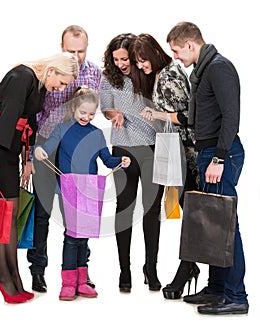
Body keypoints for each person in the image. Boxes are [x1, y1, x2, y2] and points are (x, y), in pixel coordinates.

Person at [0, 52, 79, 304]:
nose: (59, 88)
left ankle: (14, 278)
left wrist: (27, 159)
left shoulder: (38, 85)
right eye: (61, 82)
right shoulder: (22, 75)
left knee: (12, 212)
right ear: (52, 70)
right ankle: (4, 279)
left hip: (9, 146)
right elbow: (9, 112)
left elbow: (28, 121)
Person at [166, 21, 248, 315]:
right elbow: (200, 117)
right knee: (213, 224)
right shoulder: (202, 71)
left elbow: (231, 116)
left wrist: (219, 158)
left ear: (190, 44)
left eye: (177, 51)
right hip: (207, 152)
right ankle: (216, 288)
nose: (176, 57)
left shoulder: (218, 67)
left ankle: (236, 296)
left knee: (224, 224)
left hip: (219, 154)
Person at [34, 86, 131, 300]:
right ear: (74, 108)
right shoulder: (62, 129)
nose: (86, 117)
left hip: (89, 189)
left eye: (90, 113)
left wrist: (121, 162)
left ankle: (81, 280)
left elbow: (106, 160)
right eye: (82, 112)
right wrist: (38, 151)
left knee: (84, 235)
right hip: (68, 188)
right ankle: (68, 283)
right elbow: (47, 148)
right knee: (72, 235)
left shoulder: (95, 133)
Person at [27, 25, 102, 293]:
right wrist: (31, 152)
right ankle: (38, 270)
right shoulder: (51, 70)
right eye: (71, 50)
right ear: (62, 49)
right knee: (43, 212)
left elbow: (96, 109)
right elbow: (35, 111)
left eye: (81, 50)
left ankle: (81, 270)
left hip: (78, 150)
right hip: (47, 145)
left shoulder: (94, 72)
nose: (76, 56)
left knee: (80, 214)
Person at [128, 33, 200, 300]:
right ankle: (157, 267)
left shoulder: (170, 75)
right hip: (168, 149)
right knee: (158, 206)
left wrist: (158, 115)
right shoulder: (158, 75)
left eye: (143, 60)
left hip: (184, 153)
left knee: (188, 212)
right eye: (137, 62)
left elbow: (191, 116)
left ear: (154, 54)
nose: (141, 66)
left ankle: (187, 267)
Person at [100, 33, 163, 293]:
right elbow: (105, 108)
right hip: (123, 148)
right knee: (124, 208)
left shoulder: (147, 74)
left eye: (124, 58)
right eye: (115, 59)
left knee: (152, 210)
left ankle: (151, 268)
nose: (120, 64)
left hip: (151, 146)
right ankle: (124, 270)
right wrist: (115, 114)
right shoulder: (108, 78)